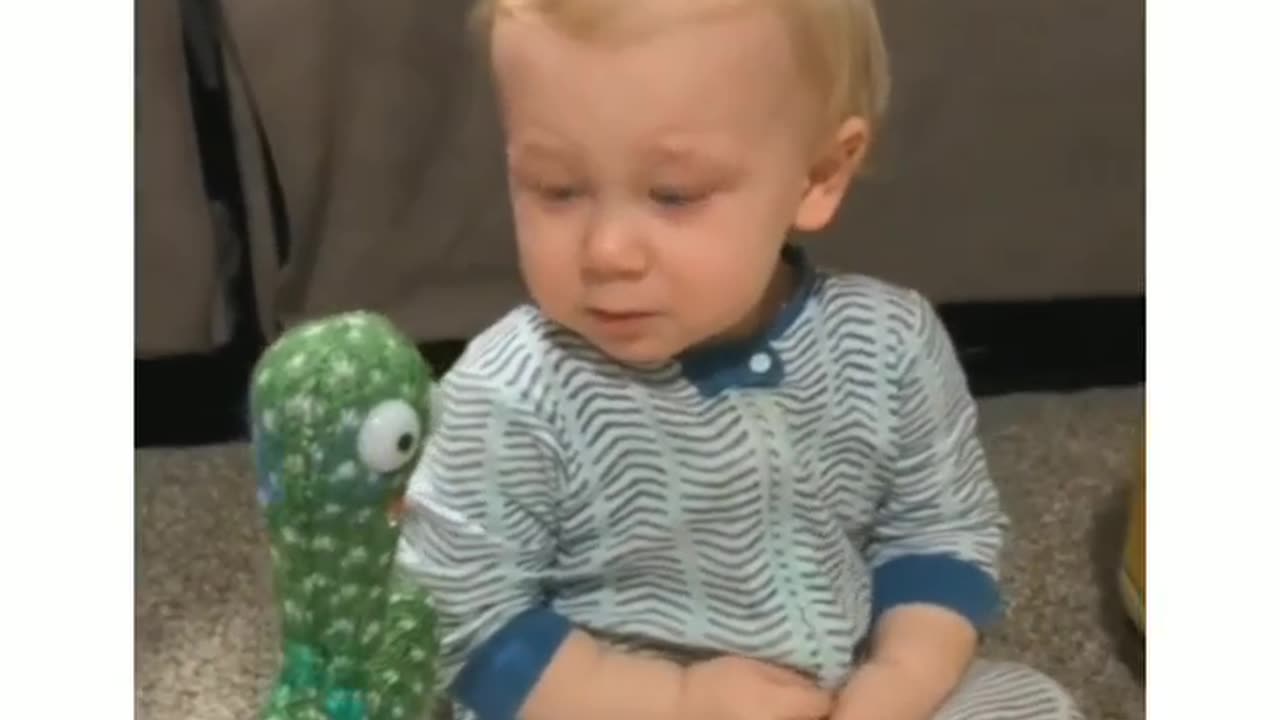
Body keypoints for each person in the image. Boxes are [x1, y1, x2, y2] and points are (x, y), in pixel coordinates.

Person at [395, 1, 1083, 718]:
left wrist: (898, 683)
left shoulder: (891, 344)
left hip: (845, 686)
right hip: (608, 701)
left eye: (673, 195)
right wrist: (676, 700)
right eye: (556, 189)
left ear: (818, 175)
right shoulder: (514, 388)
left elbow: (941, 532)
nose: (606, 252)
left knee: (1028, 705)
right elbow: (457, 616)